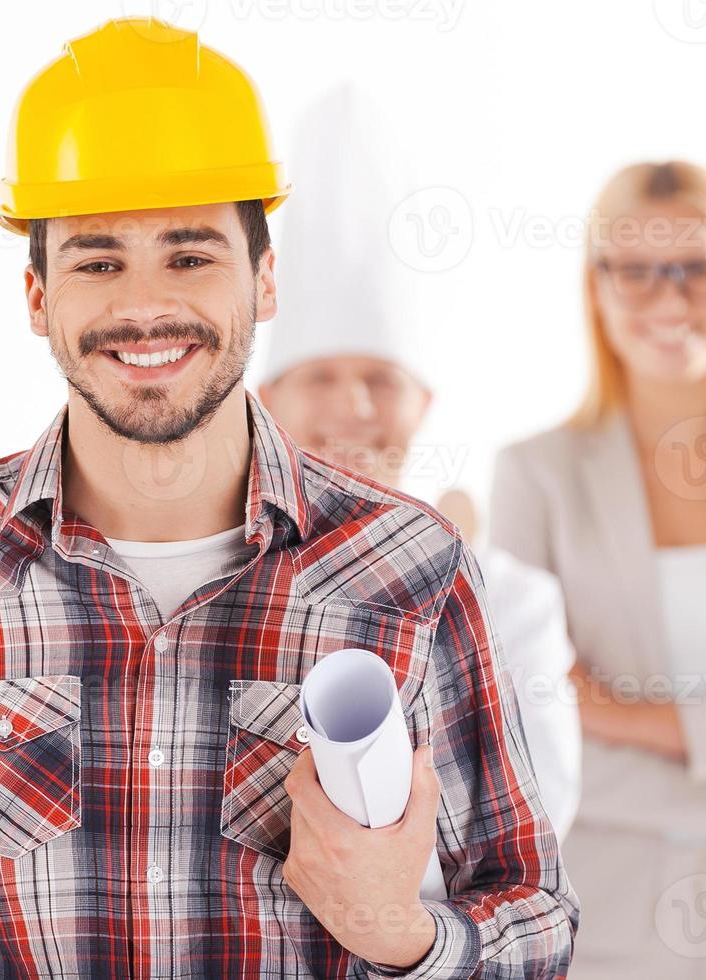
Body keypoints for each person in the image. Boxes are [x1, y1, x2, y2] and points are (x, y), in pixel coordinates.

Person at [0, 17, 575, 978]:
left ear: (263, 278)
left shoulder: (409, 566)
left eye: (189, 256)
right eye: (97, 260)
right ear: (35, 297)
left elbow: (536, 922)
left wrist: (401, 935)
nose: (143, 305)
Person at [256, 84, 581, 839]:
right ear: (266, 403)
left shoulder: (509, 602)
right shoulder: (211, 578)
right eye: (320, 378)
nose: (353, 409)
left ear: (424, 404)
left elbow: (535, 822)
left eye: (380, 380)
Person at [490, 160, 706, 976]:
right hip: (606, 919)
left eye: (696, 266)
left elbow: (580, 703)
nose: (670, 298)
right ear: (596, 287)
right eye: (638, 271)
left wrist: (626, 715)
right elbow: (524, 718)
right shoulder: (535, 473)